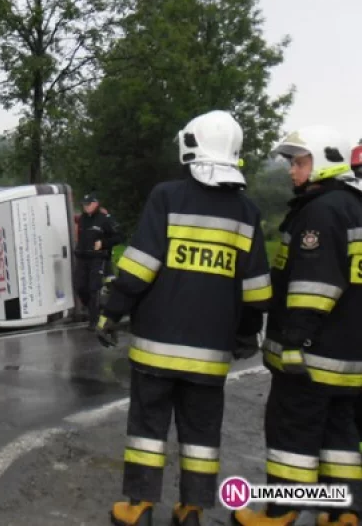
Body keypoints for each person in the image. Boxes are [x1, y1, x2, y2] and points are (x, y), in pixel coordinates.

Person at [94, 110, 272, 526]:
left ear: (191, 146)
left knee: (146, 429)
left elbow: (139, 267)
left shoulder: (167, 197)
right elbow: (257, 290)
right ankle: (191, 507)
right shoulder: (247, 213)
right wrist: (246, 335)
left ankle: (139, 506)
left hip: (157, 346)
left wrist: (112, 312)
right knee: (202, 434)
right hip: (211, 354)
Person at [231, 126, 362, 526]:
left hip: (313, 354)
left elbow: (314, 286)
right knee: (340, 436)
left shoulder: (320, 212)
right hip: (350, 355)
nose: (292, 170)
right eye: (291, 162)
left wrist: (294, 340)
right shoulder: (355, 207)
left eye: (300, 161)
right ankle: (343, 514)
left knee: (292, 431)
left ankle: (281, 511)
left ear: (323, 161)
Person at [74, 193, 122, 329]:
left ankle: (93, 321)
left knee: (93, 288)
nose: (85, 207)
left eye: (88, 205)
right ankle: (93, 308)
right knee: (80, 287)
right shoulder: (83, 219)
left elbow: (119, 237)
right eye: (83, 205)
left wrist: (103, 243)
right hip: (82, 258)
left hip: (97, 258)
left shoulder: (104, 219)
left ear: (95, 204)